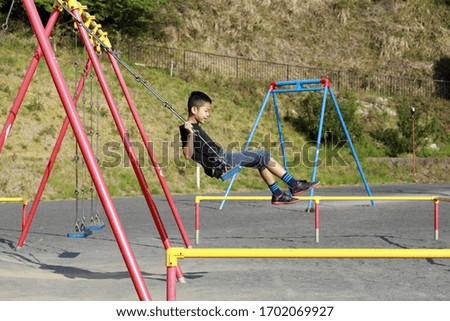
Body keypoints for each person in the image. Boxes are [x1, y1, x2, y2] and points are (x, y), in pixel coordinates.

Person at [179, 91, 319, 205]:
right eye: (206, 111)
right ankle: (294, 185)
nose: (208, 115)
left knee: (261, 162)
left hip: (221, 157)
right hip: (221, 161)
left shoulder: (193, 127)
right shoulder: (188, 129)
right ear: (194, 109)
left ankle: (277, 194)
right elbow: (187, 154)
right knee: (263, 155)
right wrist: (190, 134)